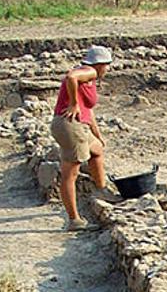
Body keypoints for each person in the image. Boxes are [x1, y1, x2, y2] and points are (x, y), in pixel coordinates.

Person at [50, 45, 117, 231]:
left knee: (97, 150)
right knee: (70, 173)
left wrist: (98, 134)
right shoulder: (88, 72)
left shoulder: (89, 79)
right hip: (71, 125)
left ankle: (102, 191)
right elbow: (70, 77)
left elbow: (89, 110)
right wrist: (72, 104)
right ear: (100, 64)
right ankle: (74, 220)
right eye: (106, 65)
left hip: (79, 126)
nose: (107, 70)